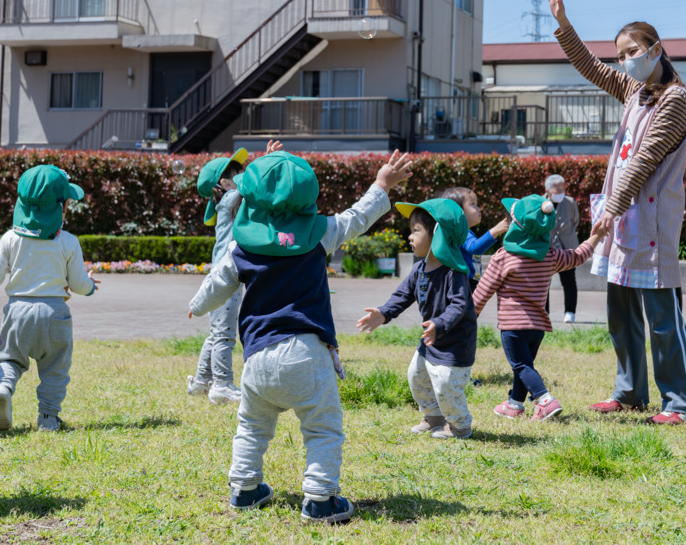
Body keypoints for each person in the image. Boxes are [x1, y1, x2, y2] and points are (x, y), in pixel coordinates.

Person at [188, 150, 413, 524]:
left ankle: (244, 490)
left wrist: (196, 305)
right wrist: (382, 184)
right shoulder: (319, 233)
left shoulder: (240, 246)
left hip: (257, 357)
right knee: (322, 428)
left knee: (252, 426)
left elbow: (217, 284)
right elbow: (357, 217)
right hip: (308, 353)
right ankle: (320, 500)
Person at [547, 0, 686, 424]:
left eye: (632, 50)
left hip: (649, 220)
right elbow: (590, 67)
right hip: (624, 216)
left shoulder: (674, 99)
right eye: (620, 54)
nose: (624, 60)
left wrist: (610, 209)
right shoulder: (636, 91)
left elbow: (645, 161)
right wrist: (562, 23)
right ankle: (629, 391)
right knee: (621, 310)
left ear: (655, 49)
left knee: (662, 315)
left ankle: (680, 404)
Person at [0, 165, 100, 432]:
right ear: (61, 207)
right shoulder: (69, 242)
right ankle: (48, 417)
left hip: (17, 311)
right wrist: (91, 285)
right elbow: (80, 285)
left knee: (8, 361)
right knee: (55, 368)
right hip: (55, 312)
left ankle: (2, 389)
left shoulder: (10, 238)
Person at [472, 194, 602, 421]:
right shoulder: (550, 256)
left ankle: (545, 400)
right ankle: (514, 404)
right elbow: (578, 256)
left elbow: (481, 294)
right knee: (524, 365)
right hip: (537, 327)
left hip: (513, 326)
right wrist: (597, 236)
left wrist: (467, 318)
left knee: (521, 365)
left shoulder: (503, 258)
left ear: (516, 227)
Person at [357, 198, 477, 440]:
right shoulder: (419, 269)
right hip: (429, 341)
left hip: (455, 343)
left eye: (415, 231)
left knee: (445, 386)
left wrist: (439, 324)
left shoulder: (455, 271)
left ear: (437, 234)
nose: (409, 236)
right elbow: (402, 295)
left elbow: (460, 305)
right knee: (416, 375)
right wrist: (383, 313)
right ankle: (433, 417)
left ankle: (460, 425)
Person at [188, 143, 280, 404]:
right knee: (225, 334)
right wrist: (268, 161)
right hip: (225, 275)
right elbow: (255, 190)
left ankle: (201, 381)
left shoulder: (230, 200)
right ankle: (222, 385)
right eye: (237, 174)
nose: (242, 177)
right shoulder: (230, 200)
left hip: (225, 272)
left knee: (217, 331)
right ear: (224, 184)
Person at [437, 187, 509, 291]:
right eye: (473, 204)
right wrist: (496, 230)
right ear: (457, 211)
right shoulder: (461, 233)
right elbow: (475, 248)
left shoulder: (457, 233)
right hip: (464, 284)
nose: (478, 208)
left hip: (462, 282)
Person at [543, 174, 580, 323]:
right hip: (546, 247)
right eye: (557, 189)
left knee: (569, 281)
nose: (561, 191)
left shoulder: (570, 202)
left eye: (562, 187)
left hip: (567, 247)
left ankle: (570, 312)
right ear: (548, 190)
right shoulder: (540, 202)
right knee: (544, 281)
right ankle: (544, 313)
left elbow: (575, 221)